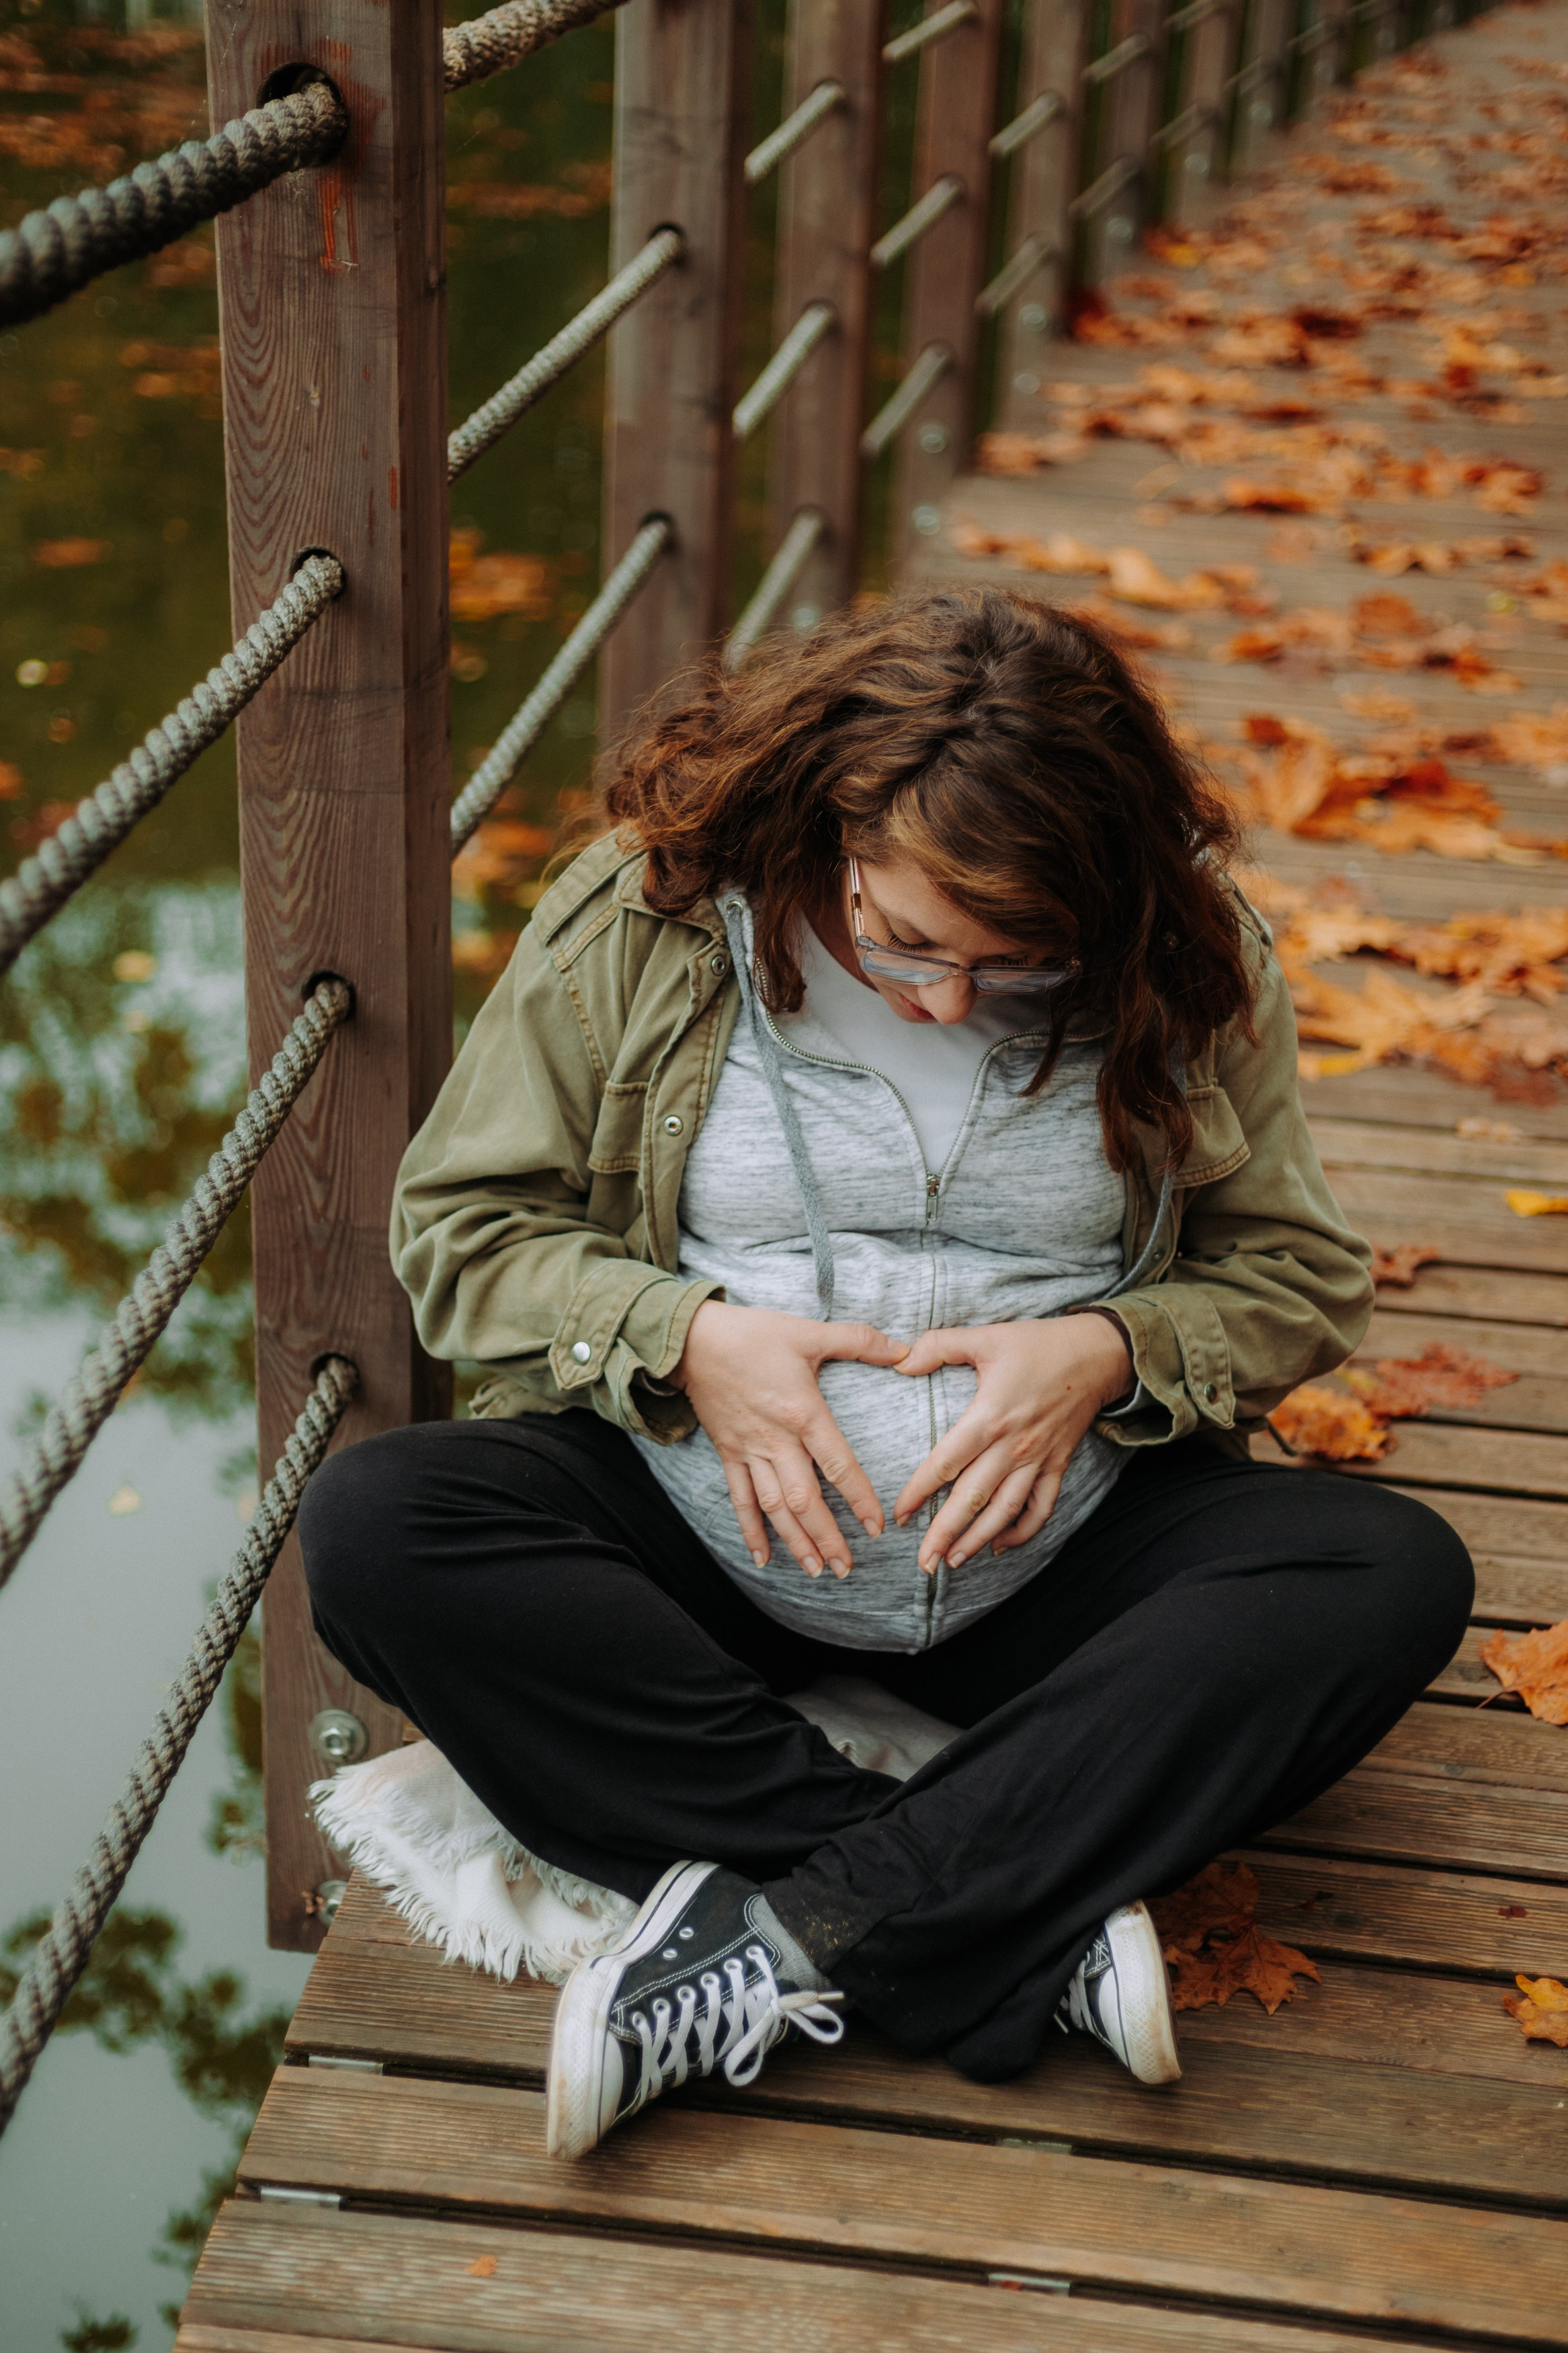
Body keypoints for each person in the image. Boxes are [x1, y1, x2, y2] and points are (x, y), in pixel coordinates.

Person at [299, 588, 1472, 2162]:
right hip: (698, 1555)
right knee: (382, 1523)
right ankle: (991, 1909)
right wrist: (689, 1339)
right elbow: (458, 1231)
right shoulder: (645, 918)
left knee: (1385, 1569)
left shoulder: (1186, 955)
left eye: (1020, 960)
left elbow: (1300, 1274)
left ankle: (783, 1934)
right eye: (907, 940)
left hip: (1055, 1573)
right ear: (829, 816)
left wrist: (1111, 1350)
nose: (947, 1000)